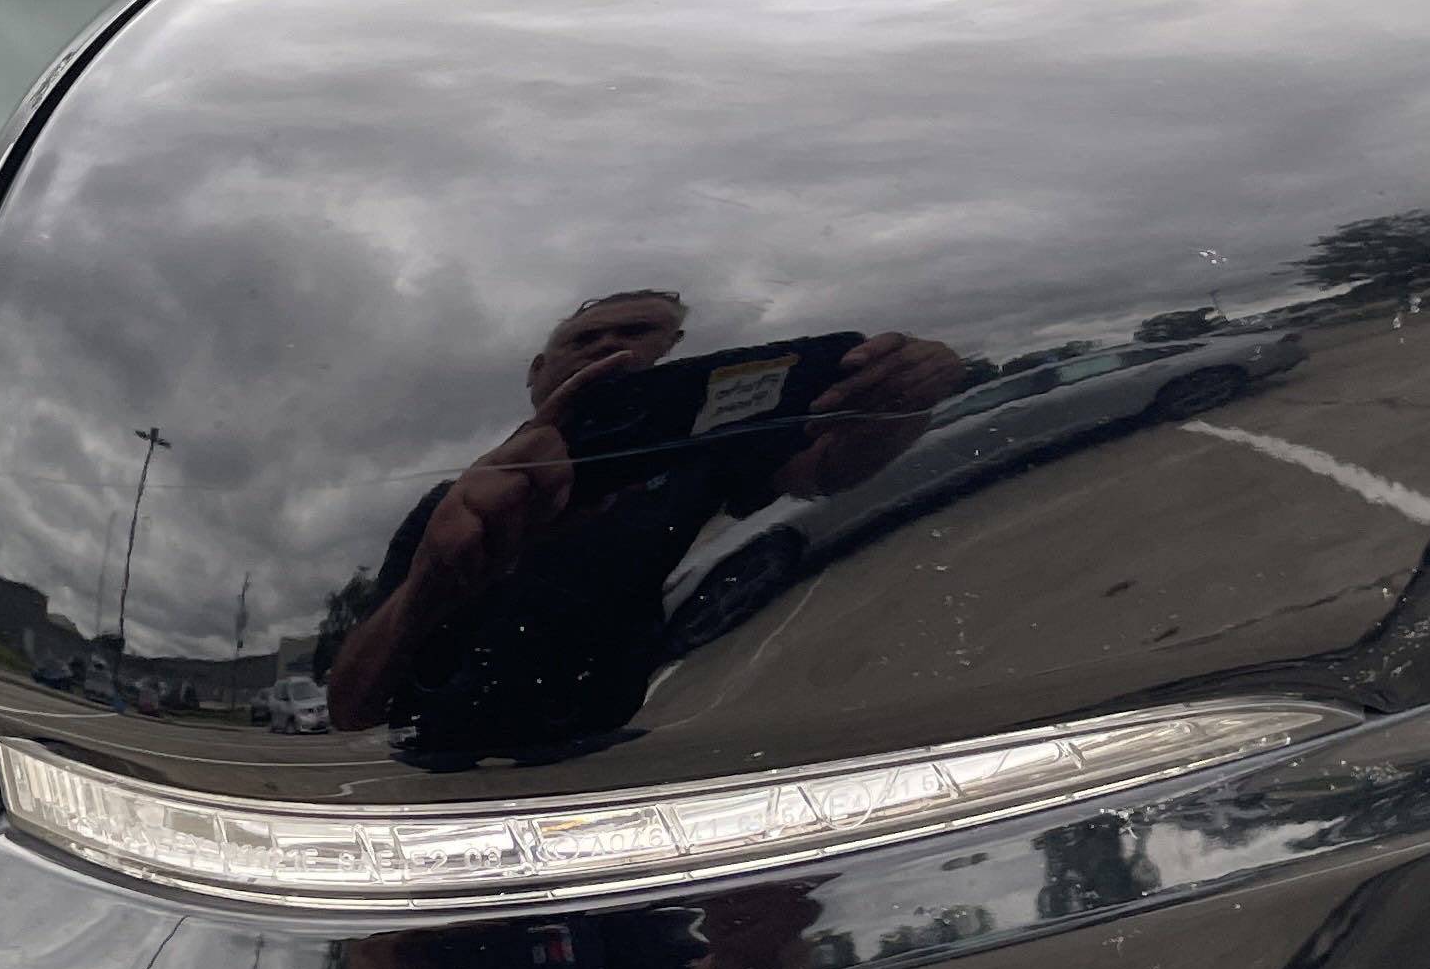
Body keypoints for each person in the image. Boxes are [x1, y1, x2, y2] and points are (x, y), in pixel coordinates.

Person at [321, 291, 960, 761]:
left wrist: (905, 400)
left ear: (672, 354)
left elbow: (827, 472)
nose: (607, 346)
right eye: (584, 338)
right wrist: (432, 583)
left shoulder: (696, 465)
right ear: (536, 373)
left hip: (628, 764)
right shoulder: (450, 505)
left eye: (637, 332)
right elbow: (352, 708)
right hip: (449, 784)